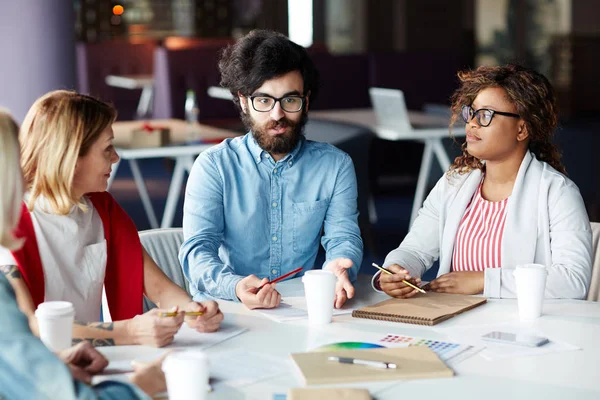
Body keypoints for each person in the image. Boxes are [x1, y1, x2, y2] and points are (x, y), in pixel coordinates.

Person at [0, 91, 223, 348]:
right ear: (71, 158)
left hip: (88, 360)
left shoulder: (102, 207)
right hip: (38, 371)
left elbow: (160, 289)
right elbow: (29, 325)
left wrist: (193, 312)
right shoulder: (10, 222)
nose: (116, 158)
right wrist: (129, 332)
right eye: (107, 149)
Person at [179, 30, 363, 310]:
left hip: (297, 308)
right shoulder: (214, 166)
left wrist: (340, 268)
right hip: (227, 309)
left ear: (306, 100)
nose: (277, 115)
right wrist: (235, 286)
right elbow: (197, 252)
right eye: (264, 101)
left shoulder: (335, 166)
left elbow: (343, 238)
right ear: (243, 100)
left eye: (290, 100)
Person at [374, 64, 592, 299]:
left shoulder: (558, 192)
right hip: (453, 320)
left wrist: (483, 281)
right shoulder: (454, 183)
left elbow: (573, 280)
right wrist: (395, 271)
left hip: (520, 327)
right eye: (471, 112)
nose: (472, 123)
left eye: (486, 115)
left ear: (522, 129)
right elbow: (415, 250)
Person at [0, 109, 164, 399]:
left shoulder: (101, 208)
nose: (28, 177)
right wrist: (139, 387)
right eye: (16, 167)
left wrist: (54, 367)